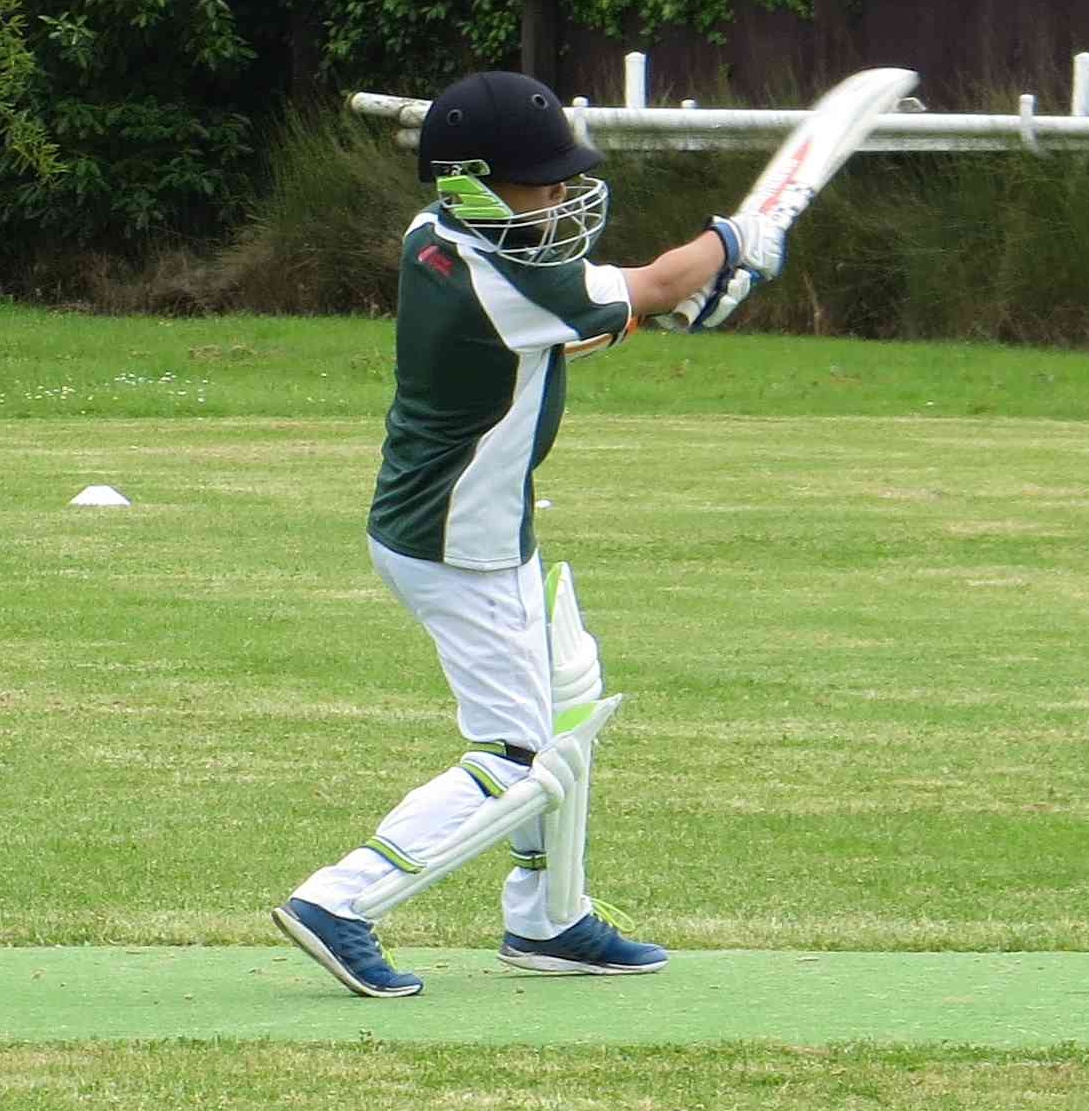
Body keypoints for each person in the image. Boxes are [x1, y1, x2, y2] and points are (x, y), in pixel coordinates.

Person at [270, 70, 788, 998]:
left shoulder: (435, 238)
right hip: (459, 545)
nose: (557, 198)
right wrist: (730, 242)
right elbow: (649, 281)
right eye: (540, 183)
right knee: (514, 758)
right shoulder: (496, 275)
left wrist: (662, 309)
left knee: (569, 695)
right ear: (474, 185)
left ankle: (547, 919)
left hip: (456, 527)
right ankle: (339, 900)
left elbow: (574, 326)